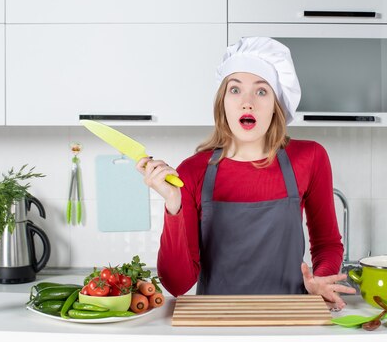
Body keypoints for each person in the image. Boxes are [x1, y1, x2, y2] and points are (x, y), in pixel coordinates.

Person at [136, 37, 355, 310]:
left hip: (290, 319)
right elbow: (176, 284)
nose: (247, 103)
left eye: (261, 91)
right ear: (223, 102)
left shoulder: (309, 158)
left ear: (276, 105)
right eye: (235, 90)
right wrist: (173, 204)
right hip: (216, 323)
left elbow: (327, 243)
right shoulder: (191, 172)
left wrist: (320, 280)